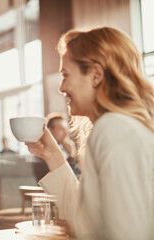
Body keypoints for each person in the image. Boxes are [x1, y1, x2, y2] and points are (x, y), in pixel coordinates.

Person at [25, 27, 154, 240]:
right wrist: (53, 156)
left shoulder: (113, 128)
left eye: (65, 74)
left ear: (95, 75)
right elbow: (87, 219)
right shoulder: (119, 127)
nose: (61, 87)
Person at [32, 113, 81, 181]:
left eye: (67, 129)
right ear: (49, 130)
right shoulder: (41, 152)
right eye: (62, 129)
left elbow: (77, 177)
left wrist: (72, 156)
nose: (66, 133)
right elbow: (61, 180)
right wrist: (71, 158)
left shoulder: (66, 150)